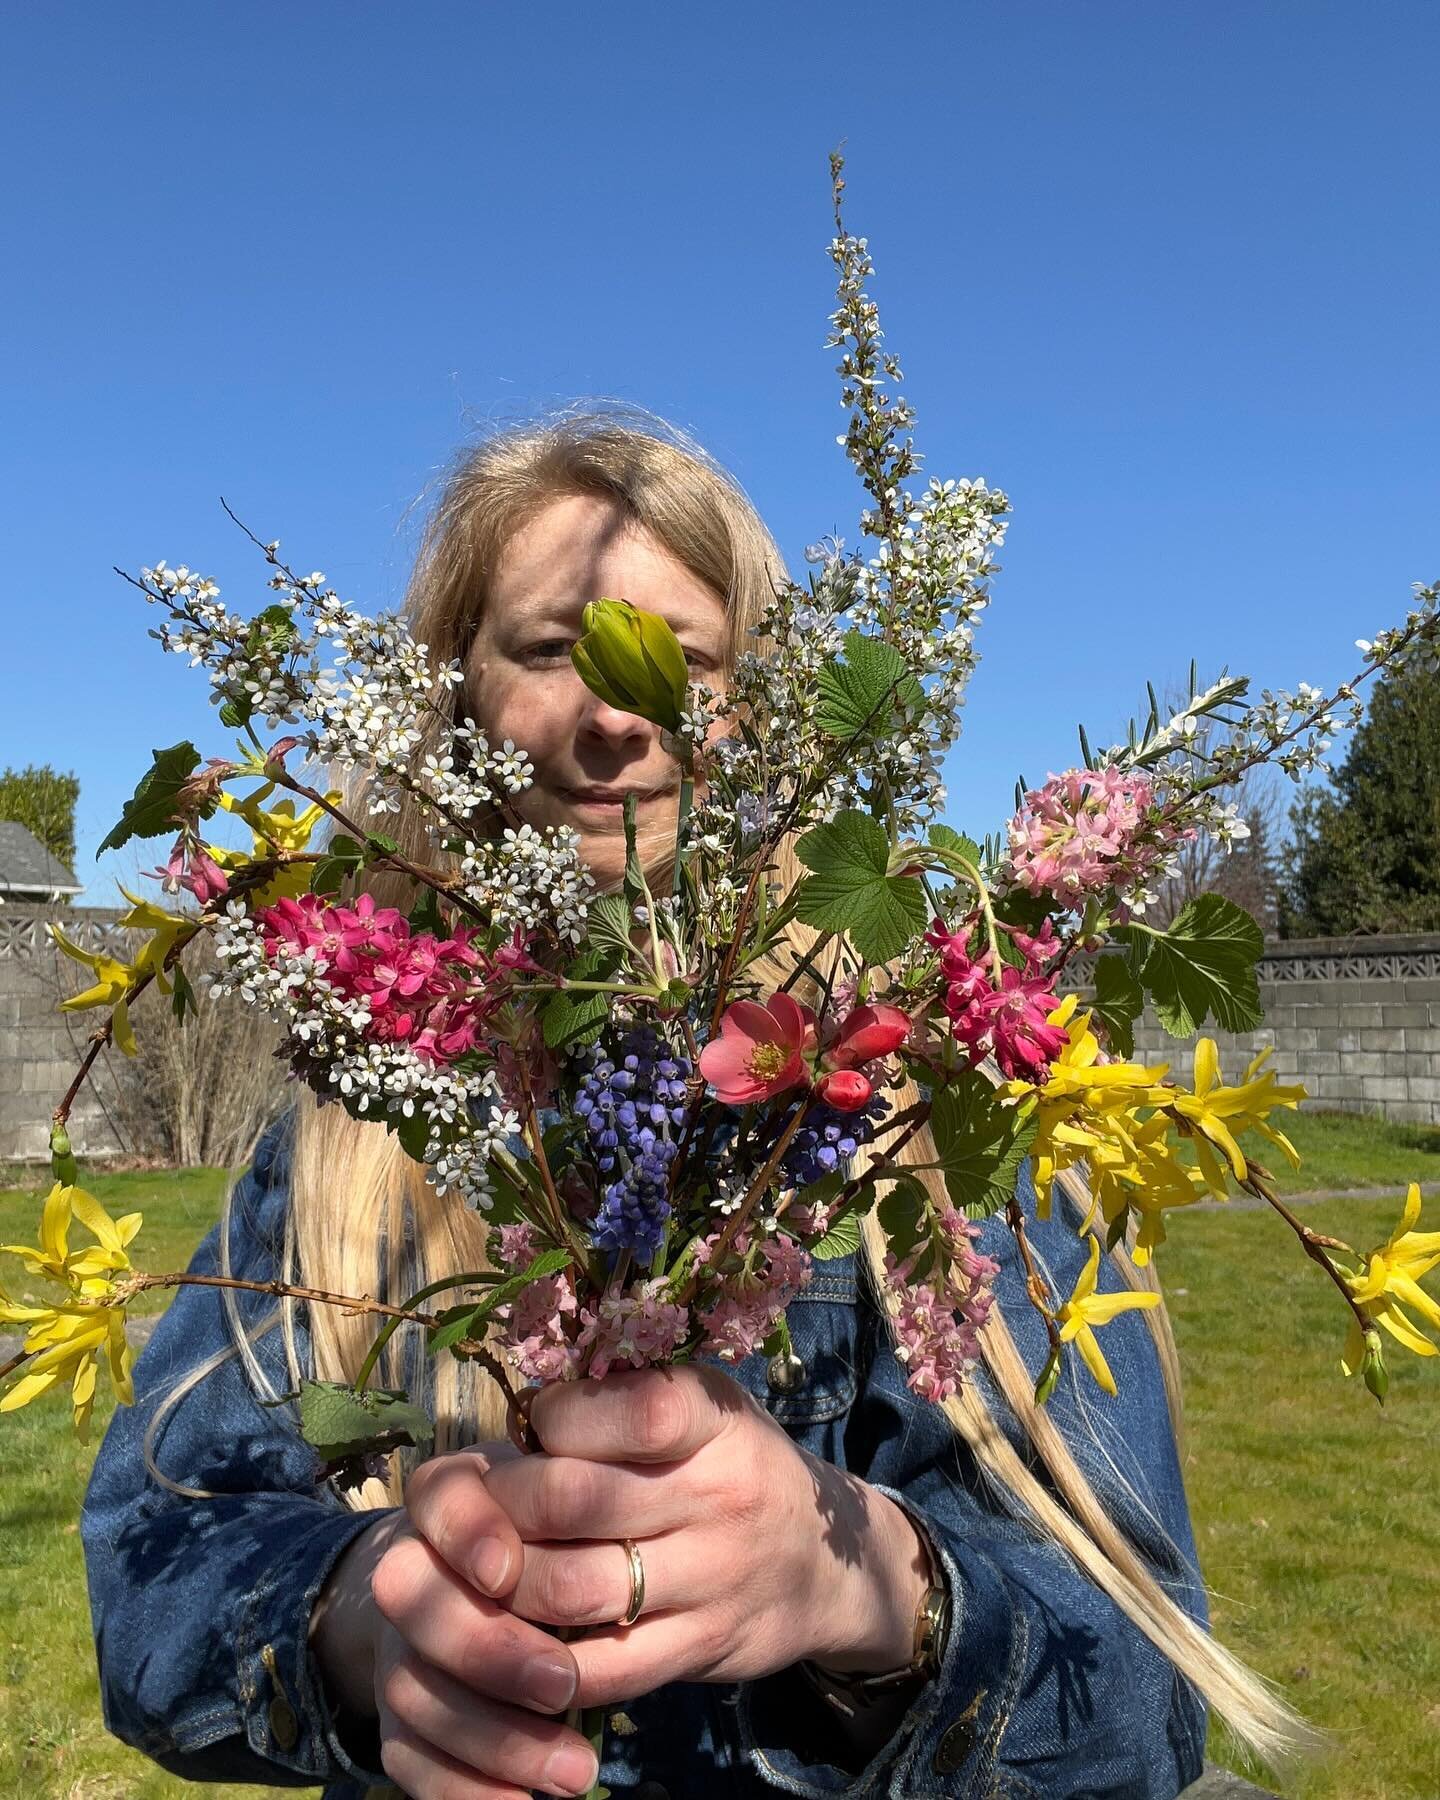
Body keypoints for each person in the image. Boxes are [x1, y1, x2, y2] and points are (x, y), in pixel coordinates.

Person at [81, 417, 1301, 1800]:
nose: (616, 715)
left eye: (682, 660)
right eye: (551, 650)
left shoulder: (932, 1111)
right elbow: (149, 1568)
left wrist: (869, 1588)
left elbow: (1145, 1702)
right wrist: (354, 1617)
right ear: (456, 699)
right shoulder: (353, 1135)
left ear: (772, 719)